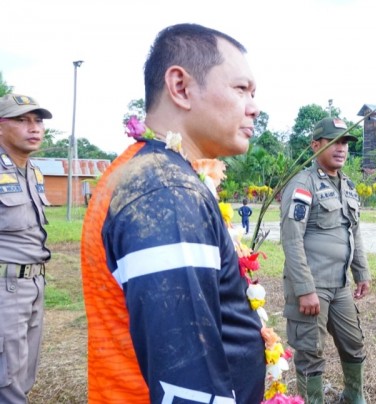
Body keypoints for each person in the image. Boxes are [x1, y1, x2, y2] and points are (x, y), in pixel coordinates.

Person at [80, 23, 266, 403]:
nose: (254, 106)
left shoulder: (157, 173)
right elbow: (186, 385)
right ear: (180, 87)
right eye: (241, 89)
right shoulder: (165, 190)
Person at [280, 116, 371, 403]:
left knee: (353, 343)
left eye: (345, 142)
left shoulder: (347, 185)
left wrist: (362, 272)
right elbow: (292, 240)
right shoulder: (302, 185)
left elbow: (354, 230)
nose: (341, 148)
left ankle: (354, 396)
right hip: (312, 285)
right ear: (315, 145)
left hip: (340, 285)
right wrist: (305, 289)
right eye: (334, 141)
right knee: (310, 351)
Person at [0, 93, 52, 403]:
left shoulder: (33, 171)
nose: (34, 128)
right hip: (5, 286)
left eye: (38, 121)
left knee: (24, 371)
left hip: (34, 283)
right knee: (6, 378)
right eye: (22, 120)